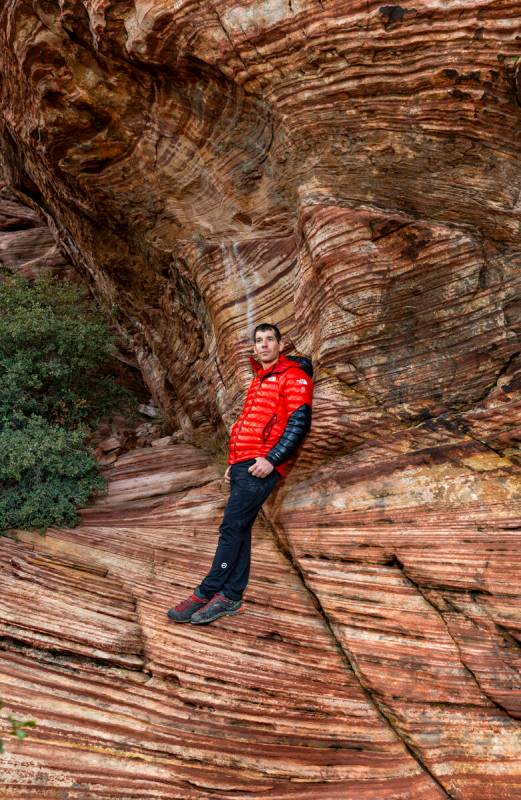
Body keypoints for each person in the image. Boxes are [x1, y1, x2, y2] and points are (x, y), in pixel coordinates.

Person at [167, 322, 314, 625]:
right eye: (258, 341)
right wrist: (232, 464)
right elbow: (249, 424)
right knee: (241, 529)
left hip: (261, 466)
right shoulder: (260, 379)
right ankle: (230, 596)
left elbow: (299, 423)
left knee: (231, 528)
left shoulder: (294, 377)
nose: (263, 345)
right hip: (243, 465)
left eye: (269, 340)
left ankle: (205, 592)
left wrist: (273, 459)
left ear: (281, 344)